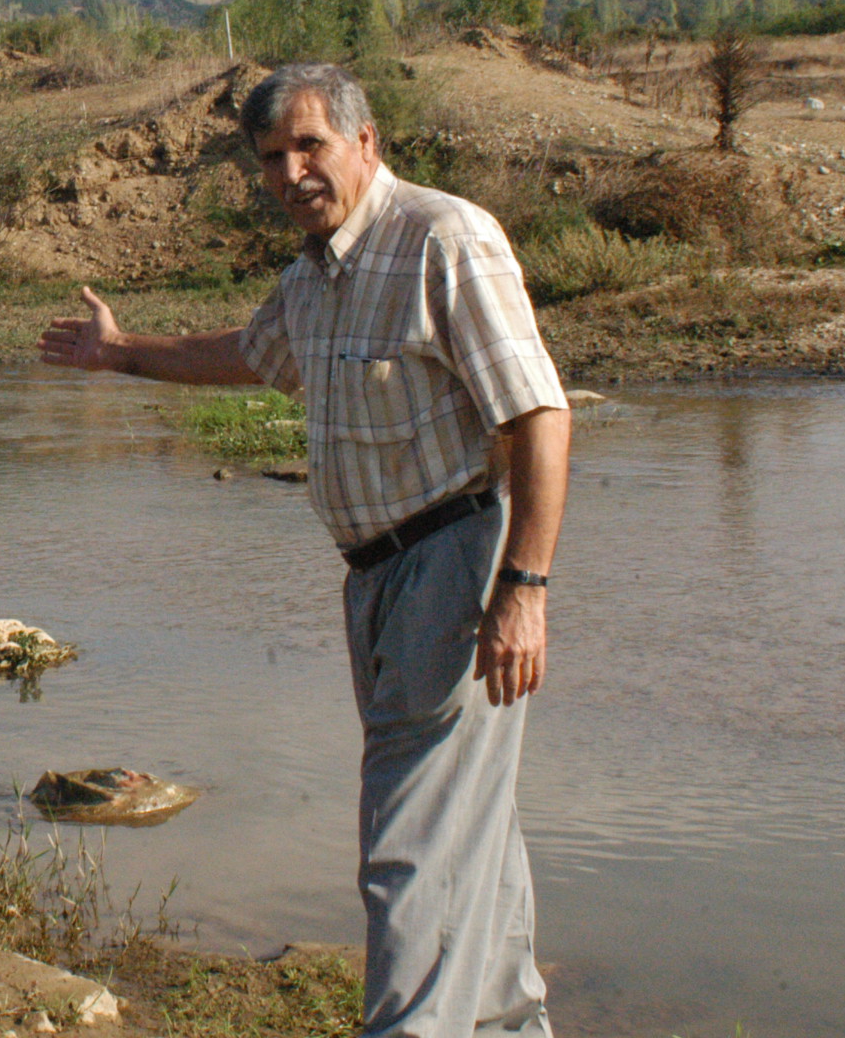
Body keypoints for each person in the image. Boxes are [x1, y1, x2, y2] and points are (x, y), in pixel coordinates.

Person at [37, 61, 570, 1037]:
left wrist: (522, 588)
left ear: (365, 143)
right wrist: (119, 353)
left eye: (308, 146)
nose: (289, 173)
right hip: (375, 581)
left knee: (406, 846)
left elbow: (538, 416)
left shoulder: (443, 241)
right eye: (270, 157)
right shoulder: (314, 277)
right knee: (469, 842)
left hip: (454, 564)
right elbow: (246, 354)